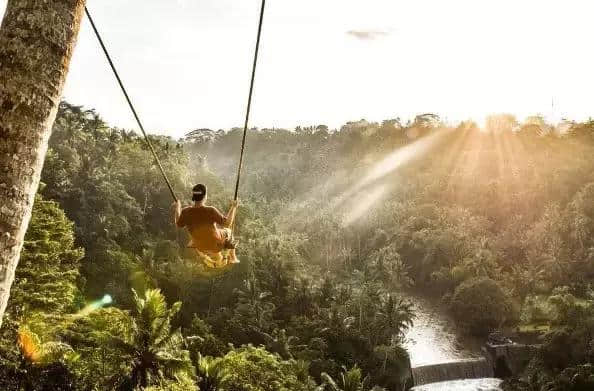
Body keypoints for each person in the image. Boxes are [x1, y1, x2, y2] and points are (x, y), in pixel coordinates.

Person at [172, 184, 239, 266]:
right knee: (228, 231)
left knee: (200, 233)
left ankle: (214, 258)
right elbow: (227, 224)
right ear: (205, 196)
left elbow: (178, 223)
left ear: (193, 196)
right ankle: (233, 257)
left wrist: (178, 207)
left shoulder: (186, 212)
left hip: (200, 247)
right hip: (216, 245)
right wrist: (233, 207)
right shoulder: (210, 210)